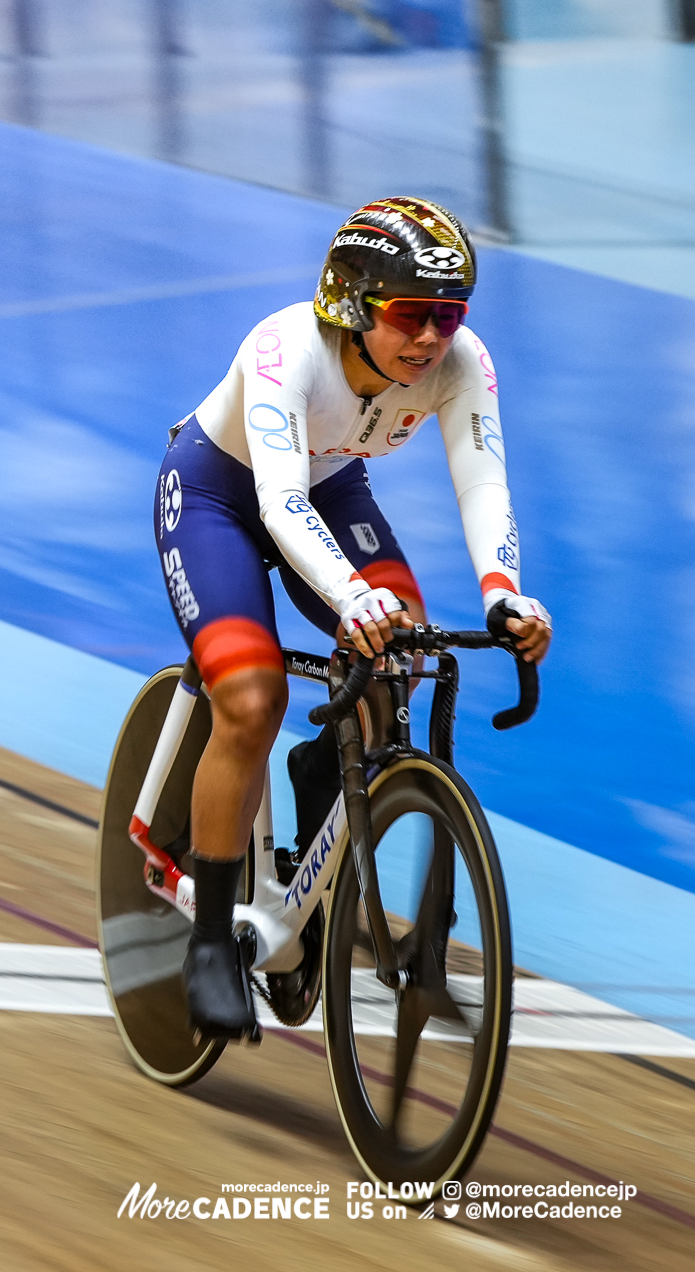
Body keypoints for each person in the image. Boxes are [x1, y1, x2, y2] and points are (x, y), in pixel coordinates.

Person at [153, 197, 552, 1039]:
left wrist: (502, 590)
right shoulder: (283, 349)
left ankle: (321, 785)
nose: (433, 338)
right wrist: (347, 596)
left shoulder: (460, 362)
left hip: (329, 488)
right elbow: (278, 499)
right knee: (251, 699)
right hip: (221, 497)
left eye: (450, 314)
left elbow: (484, 482)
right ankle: (211, 945)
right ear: (352, 304)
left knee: (400, 652)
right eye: (412, 314)